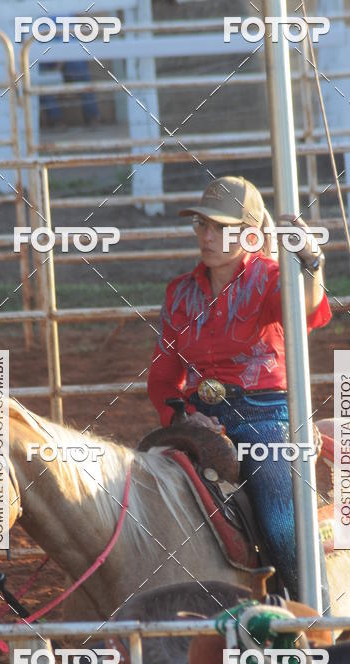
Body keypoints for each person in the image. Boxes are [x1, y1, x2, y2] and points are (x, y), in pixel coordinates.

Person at [147, 175, 332, 604]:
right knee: (144, 486)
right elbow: (163, 378)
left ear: (249, 233)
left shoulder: (273, 279)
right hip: (198, 418)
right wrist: (180, 416)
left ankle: (315, 610)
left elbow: (307, 307)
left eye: (221, 227)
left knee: (279, 512)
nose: (207, 236)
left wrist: (310, 261)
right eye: (202, 225)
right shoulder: (179, 294)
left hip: (265, 417)